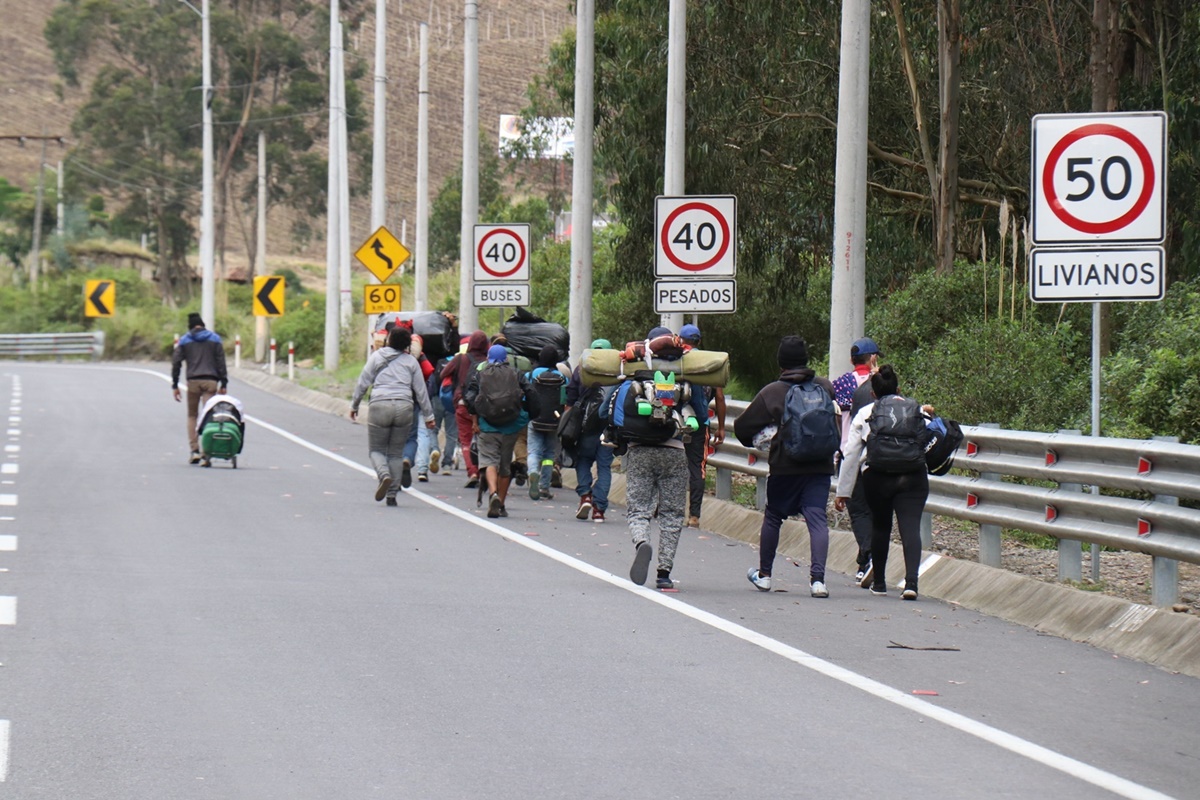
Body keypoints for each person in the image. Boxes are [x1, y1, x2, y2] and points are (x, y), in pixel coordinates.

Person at [733, 335, 838, 598]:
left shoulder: (772, 392)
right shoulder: (824, 387)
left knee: (773, 516)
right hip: (820, 466)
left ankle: (765, 575)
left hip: (785, 467)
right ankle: (818, 581)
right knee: (817, 519)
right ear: (805, 360)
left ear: (781, 362)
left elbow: (743, 429)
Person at [623, 326, 711, 591]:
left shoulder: (635, 369)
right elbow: (700, 413)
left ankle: (641, 542)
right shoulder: (683, 372)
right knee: (672, 514)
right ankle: (664, 573)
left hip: (640, 450)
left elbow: (613, 408)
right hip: (674, 451)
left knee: (639, 508)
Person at [834, 364, 931, 601]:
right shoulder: (916, 409)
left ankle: (879, 583)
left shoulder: (867, 412)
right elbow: (930, 439)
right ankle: (911, 583)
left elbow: (851, 454)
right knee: (910, 527)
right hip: (913, 476)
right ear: (899, 388)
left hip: (877, 477)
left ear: (874, 394)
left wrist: (843, 491)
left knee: (880, 526)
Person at [349, 326, 436, 505]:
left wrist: (354, 405)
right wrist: (429, 417)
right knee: (396, 453)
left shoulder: (376, 357)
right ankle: (392, 494)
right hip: (404, 406)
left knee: (376, 450)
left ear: (388, 340)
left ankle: (384, 474)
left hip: (380, 404)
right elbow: (421, 391)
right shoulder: (411, 362)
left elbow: (363, 383)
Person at [465, 344, 537, 519]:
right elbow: (531, 393)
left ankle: (492, 493)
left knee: (490, 461)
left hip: (488, 426)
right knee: (505, 466)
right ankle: (501, 504)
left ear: (489, 357)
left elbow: (469, 397)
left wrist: (477, 413)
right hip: (511, 426)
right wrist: (528, 414)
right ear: (506, 358)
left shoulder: (481, 373)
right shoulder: (516, 373)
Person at [832, 337, 881, 583]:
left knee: (858, 511)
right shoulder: (882, 383)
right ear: (873, 358)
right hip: (880, 454)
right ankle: (866, 561)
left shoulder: (841, 383)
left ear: (852, 360)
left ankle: (867, 559)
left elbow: (838, 418)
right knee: (874, 510)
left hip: (849, 453)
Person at [678, 323, 726, 528]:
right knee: (697, 468)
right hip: (699, 423)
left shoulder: (675, 359)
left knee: (670, 463)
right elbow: (720, 397)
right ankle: (694, 516)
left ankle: (661, 507)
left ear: (681, 340)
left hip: (675, 421)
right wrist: (721, 427)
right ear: (699, 341)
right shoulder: (709, 362)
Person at [565, 338, 617, 522]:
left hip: (586, 427)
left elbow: (571, 396)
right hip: (610, 428)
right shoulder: (618, 371)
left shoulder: (582, 368)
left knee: (584, 460)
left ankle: (586, 495)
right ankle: (599, 510)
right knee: (604, 466)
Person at [171, 312, 229, 464]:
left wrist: (175, 385)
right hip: (211, 382)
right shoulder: (215, 339)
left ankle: (195, 451)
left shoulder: (185, 340)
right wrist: (224, 383)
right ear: (203, 324)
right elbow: (221, 362)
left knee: (192, 416)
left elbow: (176, 363)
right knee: (208, 415)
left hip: (193, 382)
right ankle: (207, 452)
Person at [442, 330, 489, 488]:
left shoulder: (461, 359)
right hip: (483, 406)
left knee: (466, 440)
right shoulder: (488, 361)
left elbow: (443, 374)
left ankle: (473, 471)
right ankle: (485, 472)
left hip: (463, 403)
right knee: (484, 441)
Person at [526, 344, 566, 500]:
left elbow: (526, 395)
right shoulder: (562, 376)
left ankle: (533, 472)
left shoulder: (533, 374)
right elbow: (566, 399)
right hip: (554, 422)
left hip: (536, 419)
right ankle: (544, 486)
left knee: (534, 452)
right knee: (549, 455)